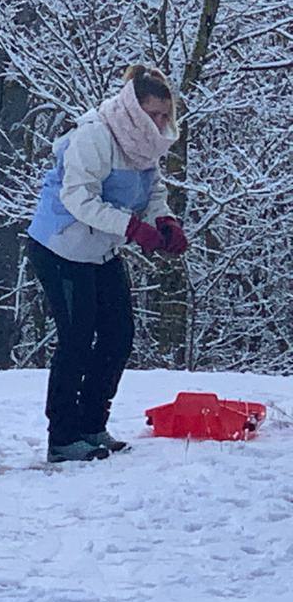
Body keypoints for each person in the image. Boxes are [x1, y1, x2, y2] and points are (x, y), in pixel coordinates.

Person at [27, 65, 189, 463]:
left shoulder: (144, 143)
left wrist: (162, 219)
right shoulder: (96, 135)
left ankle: (92, 425)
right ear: (134, 109)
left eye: (165, 115)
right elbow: (77, 198)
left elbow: (151, 188)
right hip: (61, 248)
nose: (160, 122)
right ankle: (63, 438)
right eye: (153, 114)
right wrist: (132, 228)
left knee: (118, 336)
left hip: (101, 249)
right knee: (77, 340)